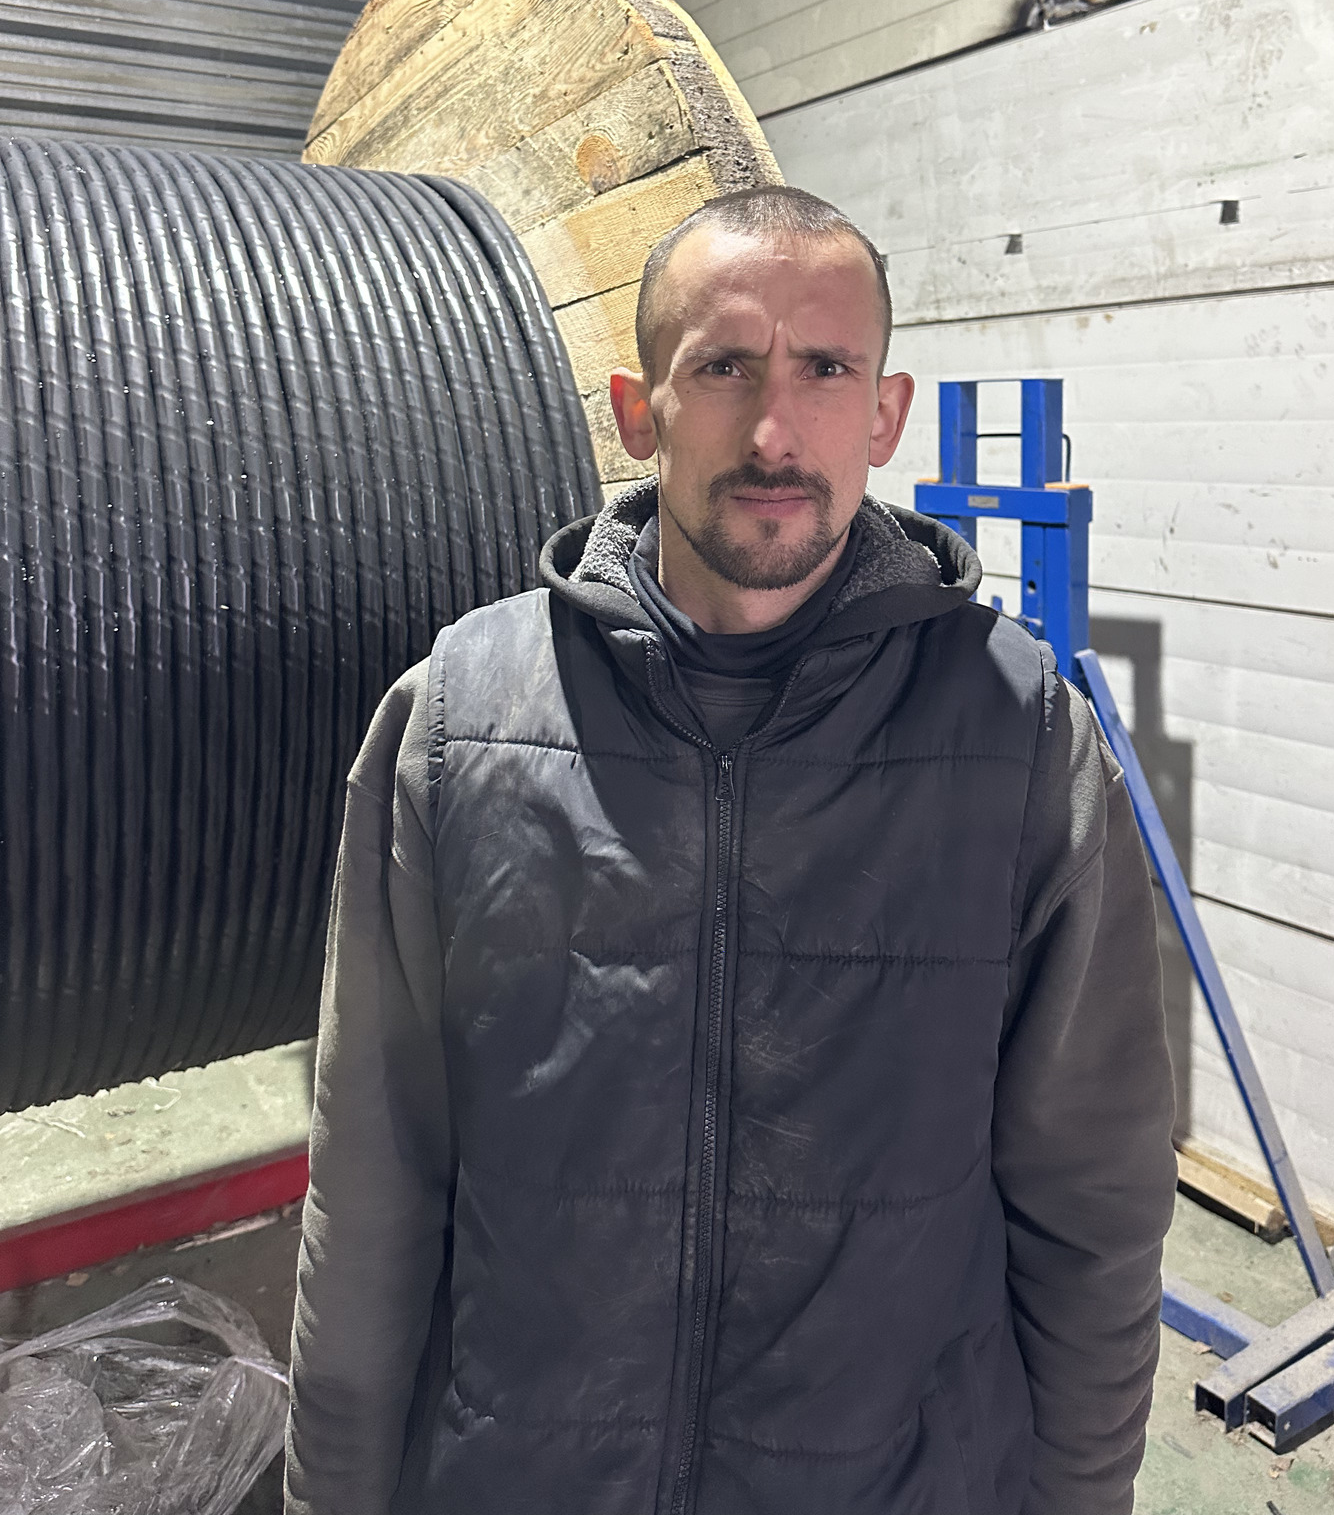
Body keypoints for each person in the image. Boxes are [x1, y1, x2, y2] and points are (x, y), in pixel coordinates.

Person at [285, 186, 1176, 1515]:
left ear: (886, 413)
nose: (774, 431)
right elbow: (373, 1182)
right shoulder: (460, 724)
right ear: (636, 412)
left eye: (826, 370)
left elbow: (1093, 1207)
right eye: (722, 368)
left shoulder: (1021, 739)